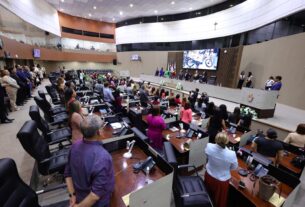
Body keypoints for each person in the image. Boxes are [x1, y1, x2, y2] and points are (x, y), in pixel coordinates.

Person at [65, 115, 115, 207]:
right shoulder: (103, 157)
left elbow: (68, 174)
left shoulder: (74, 146)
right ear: (98, 132)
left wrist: (72, 195)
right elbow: (95, 195)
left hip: (79, 197)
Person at [204, 132, 238, 207]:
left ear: (216, 139)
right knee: (219, 201)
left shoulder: (209, 146)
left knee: (207, 195)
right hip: (221, 182)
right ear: (226, 141)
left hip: (209, 175)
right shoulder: (231, 154)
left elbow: (207, 156)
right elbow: (234, 167)